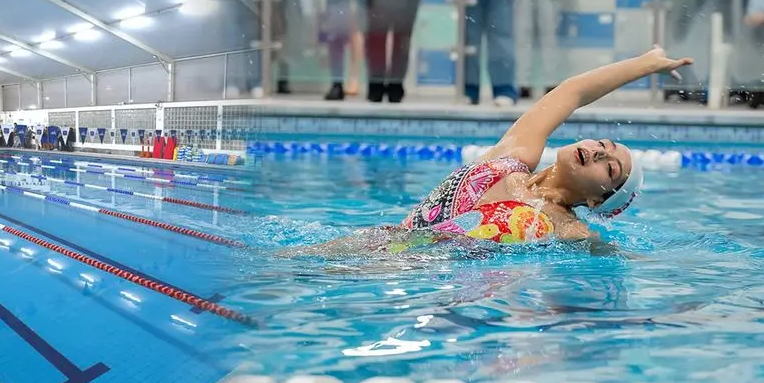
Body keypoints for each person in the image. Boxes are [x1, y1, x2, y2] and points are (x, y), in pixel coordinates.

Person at [279, 46, 692, 257]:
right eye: (603, 145)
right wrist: (645, 63)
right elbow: (573, 91)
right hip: (380, 244)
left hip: (422, 280)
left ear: (597, 200)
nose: (598, 153)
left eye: (610, 168)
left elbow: (616, 259)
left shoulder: (567, 228)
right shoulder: (512, 157)